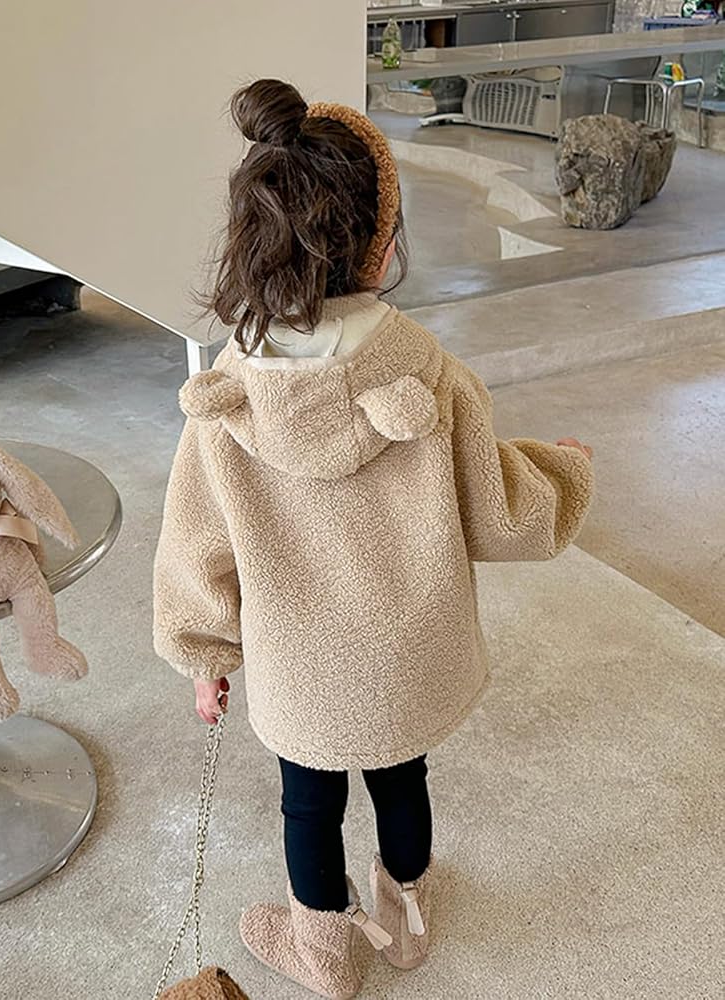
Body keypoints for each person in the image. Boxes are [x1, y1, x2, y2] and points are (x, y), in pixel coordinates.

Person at [153, 78, 593, 999]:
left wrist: (204, 655)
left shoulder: (226, 397)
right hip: (409, 653)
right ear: (383, 245)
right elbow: (500, 510)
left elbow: (196, 542)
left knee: (307, 801)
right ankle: (407, 925)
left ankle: (322, 950)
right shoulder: (430, 375)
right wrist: (563, 471)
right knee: (403, 775)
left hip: (300, 663)